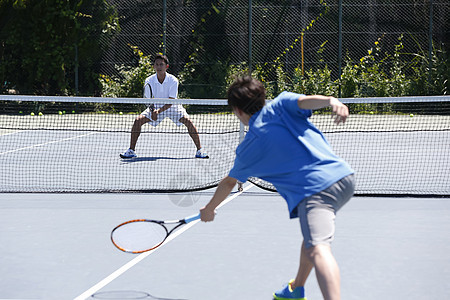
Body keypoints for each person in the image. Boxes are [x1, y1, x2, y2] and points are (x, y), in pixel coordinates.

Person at [200, 76, 355, 300]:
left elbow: (229, 182)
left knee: (318, 248)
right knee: (311, 237)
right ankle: (296, 288)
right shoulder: (282, 103)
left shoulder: (248, 148)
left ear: (238, 110)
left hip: (315, 192)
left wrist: (210, 208)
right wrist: (332, 100)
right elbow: (307, 101)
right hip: (344, 177)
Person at [120, 53, 209, 159]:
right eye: (156, 64)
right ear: (153, 66)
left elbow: (171, 101)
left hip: (173, 107)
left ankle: (200, 150)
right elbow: (149, 99)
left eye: (161, 64)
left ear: (166, 66)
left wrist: (158, 111)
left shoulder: (173, 80)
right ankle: (131, 150)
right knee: (137, 121)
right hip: (156, 106)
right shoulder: (149, 80)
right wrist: (153, 110)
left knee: (188, 122)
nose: (159, 67)